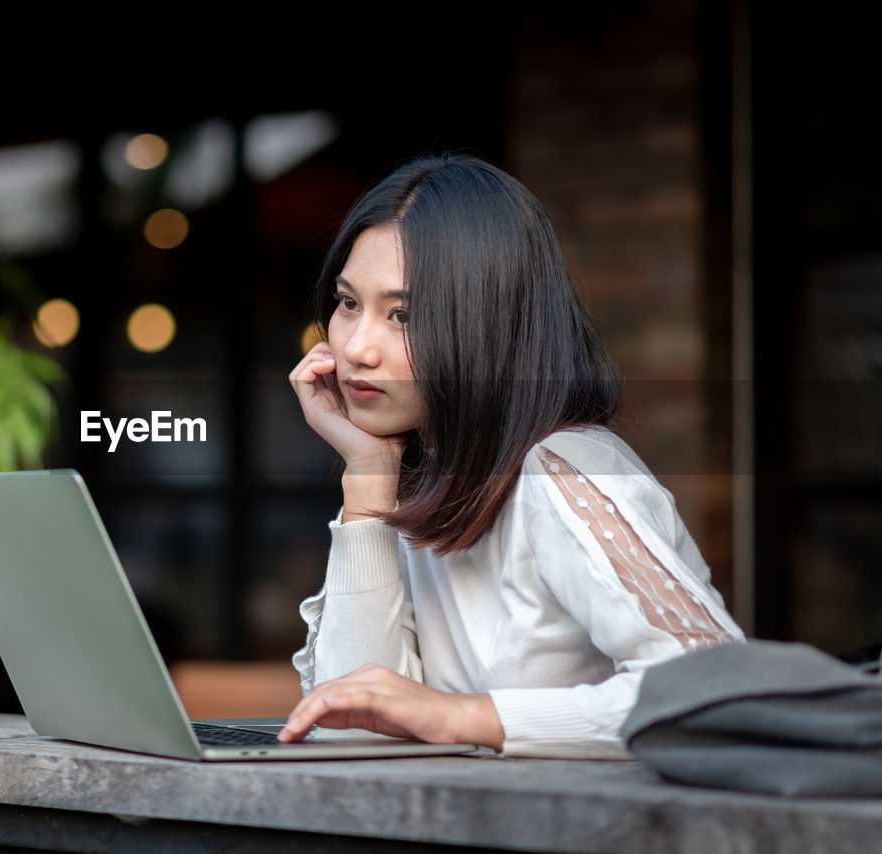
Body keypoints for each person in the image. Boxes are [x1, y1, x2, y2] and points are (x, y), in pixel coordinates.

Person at [278, 155, 744, 759]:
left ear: (487, 323)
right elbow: (354, 731)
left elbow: (714, 692)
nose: (356, 349)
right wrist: (368, 480)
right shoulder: (420, 480)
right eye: (347, 304)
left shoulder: (565, 470)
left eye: (403, 315)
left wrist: (463, 717)